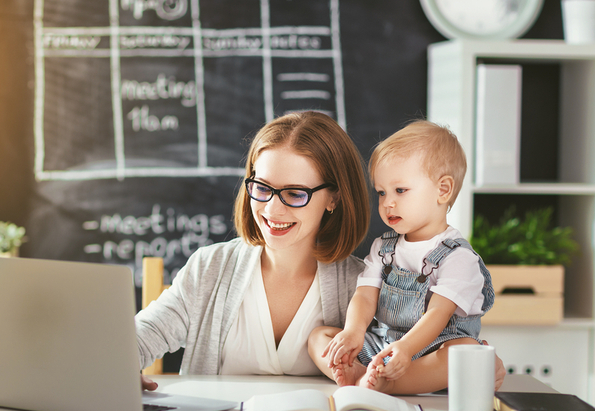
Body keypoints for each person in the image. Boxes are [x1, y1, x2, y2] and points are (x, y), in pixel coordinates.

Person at [135, 111, 370, 389]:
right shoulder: (210, 267)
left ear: (334, 198)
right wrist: (117, 367)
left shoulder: (364, 287)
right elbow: (144, 335)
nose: (271, 209)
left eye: (294, 194)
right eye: (261, 187)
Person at [307, 119, 498, 395]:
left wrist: (406, 350)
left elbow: (438, 314)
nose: (387, 203)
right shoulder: (384, 248)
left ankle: (388, 383)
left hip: (431, 350)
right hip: (385, 345)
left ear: (442, 190)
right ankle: (363, 373)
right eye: (381, 192)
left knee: (466, 351)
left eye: (400, 190)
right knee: (319, 337)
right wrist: (353, 332)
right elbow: (364, 295)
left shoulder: (459, 258)